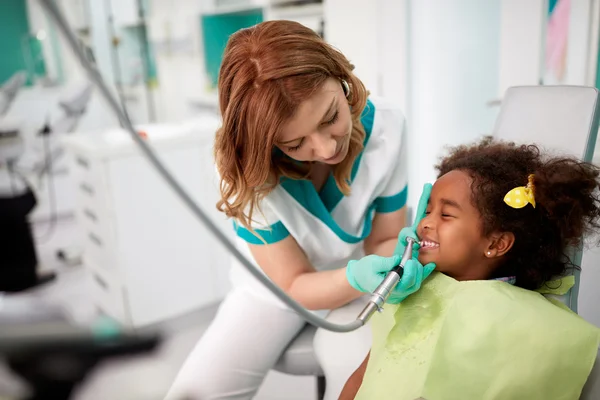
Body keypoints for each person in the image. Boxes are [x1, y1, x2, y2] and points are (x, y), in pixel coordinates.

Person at [166, 20, 433, 400]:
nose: (326, 149)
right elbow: (293, 283)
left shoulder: (387, 126)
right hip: (274, 290)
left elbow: (386, 237)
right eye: (294, 144)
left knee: (369, 384)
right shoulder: (244, 170)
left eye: (331, 118)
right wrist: (356, 277)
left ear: (340, 79)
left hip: (359, 282)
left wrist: (396, 263)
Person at [340, 137, 600, 400]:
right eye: (427, 211)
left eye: (446, 215)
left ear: (496, 243)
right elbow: (366, 375)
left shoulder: (511, 319)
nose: (425, 223)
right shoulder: (414, 290)